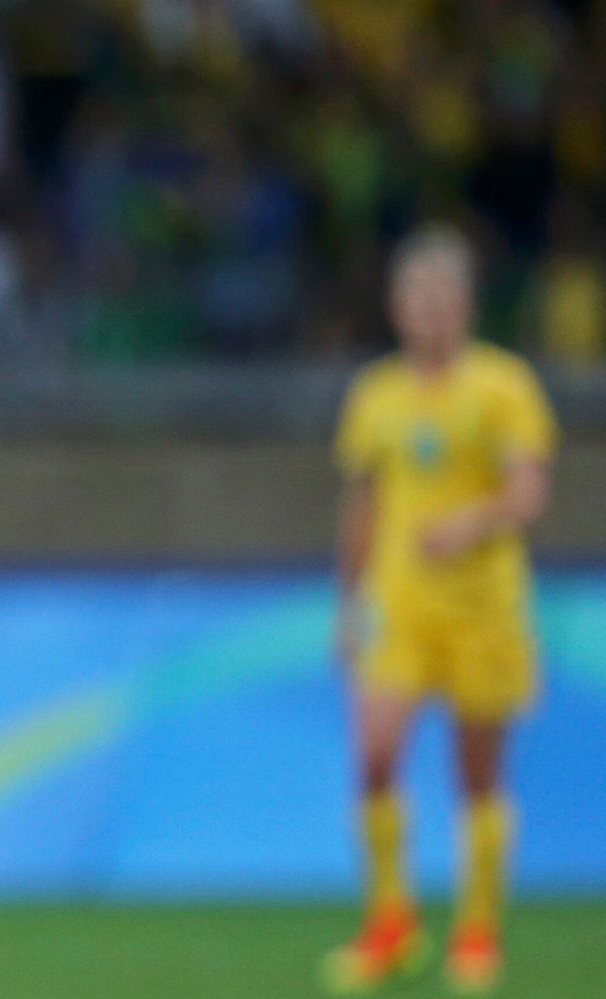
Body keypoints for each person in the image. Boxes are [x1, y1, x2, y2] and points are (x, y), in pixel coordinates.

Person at [325, 226, 557, 997]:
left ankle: (476, 928)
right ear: (397, 308)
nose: (432, 313)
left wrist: (470, 523)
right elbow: (361, 502)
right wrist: (347, 604)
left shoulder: (503, 386)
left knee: (477, 776)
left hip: (482, 605)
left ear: (465, 307)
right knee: (375, 756)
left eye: (445, 299)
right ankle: (391, 920)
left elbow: (529, 489)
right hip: (399, 602)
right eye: (419, 299)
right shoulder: (375, 395)